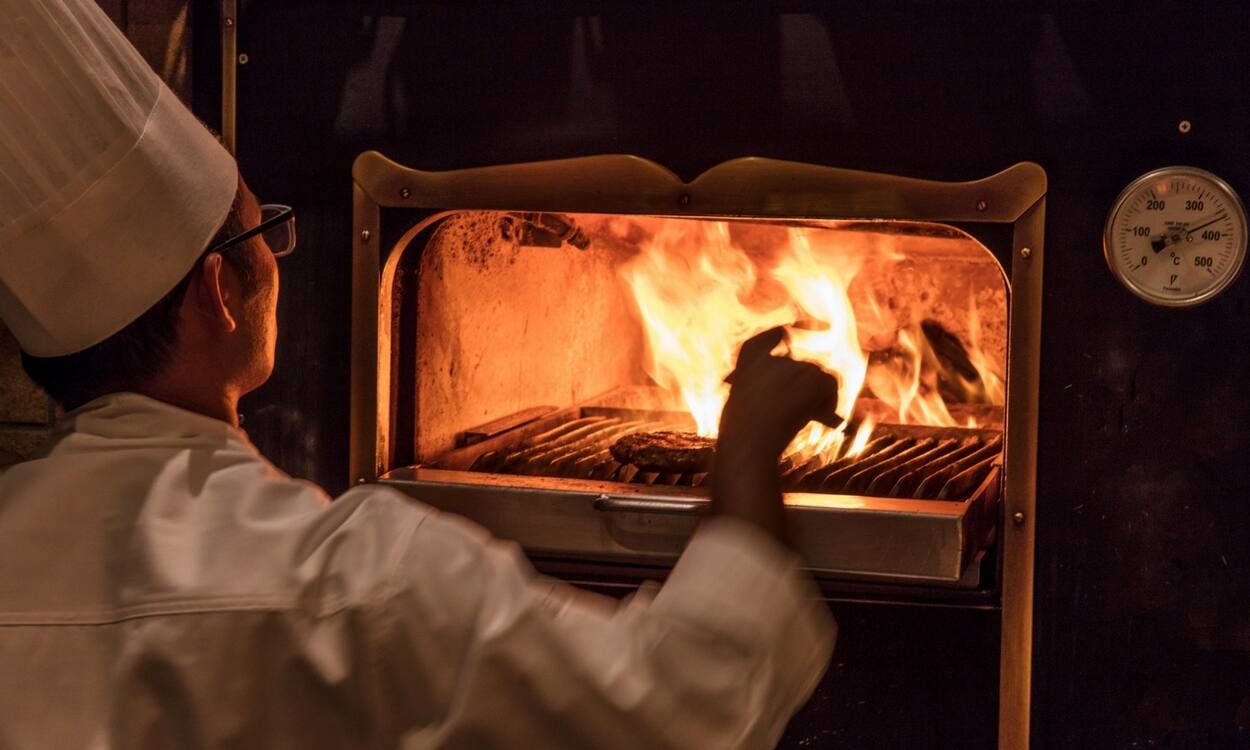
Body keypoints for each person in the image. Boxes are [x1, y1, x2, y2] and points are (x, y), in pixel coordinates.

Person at [0, 1, 838, 748]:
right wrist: (748, 448)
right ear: (218, 293)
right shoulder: (356, 581)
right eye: (269, 233)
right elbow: (681, 705)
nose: (279, 256)